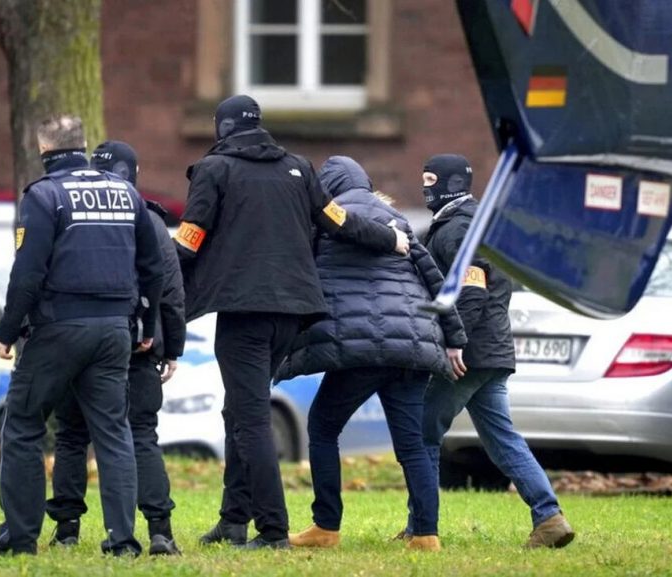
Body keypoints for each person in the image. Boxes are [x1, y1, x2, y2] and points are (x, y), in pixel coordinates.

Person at [178, 95, 410, 550]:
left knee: (250, 419)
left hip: (244, 314)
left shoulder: (214, 170)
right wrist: (390, 238)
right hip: (292, 314)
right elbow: (338, 221)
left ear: (222, 128)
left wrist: (149, 270)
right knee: (239, 411)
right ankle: (233, 519)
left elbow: (190, 239)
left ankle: (271, 530)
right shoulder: (298, 168)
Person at [0, 116, 165, 556]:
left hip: (58, 328)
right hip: (115, 330)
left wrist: (7, 332)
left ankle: (19, 537)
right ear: (82, 145)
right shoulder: (127, 194)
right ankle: (123, 541)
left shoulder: (44, 195)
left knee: (23, 425)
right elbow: (153, 267)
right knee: (113, 432)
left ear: (44, 150)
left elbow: (28, 274)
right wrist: (146, 323)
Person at [276, 156, 467, 552]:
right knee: (411, 442)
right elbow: (435, 281)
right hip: (412, 345)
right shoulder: (397, 220)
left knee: (323, 428)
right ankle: (426, 534)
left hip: (359, 346)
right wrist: (454, 339)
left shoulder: (326, 221)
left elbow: (300, 276)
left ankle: (326, 527)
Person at [405, 154, 575, 549]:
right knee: (502, 438)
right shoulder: (478, 222)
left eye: (430, 180)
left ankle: (421, 528)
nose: (425, 188)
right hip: (492, 352)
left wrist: (454, 342)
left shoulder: (459, 228)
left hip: (470, 354)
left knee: (421, 432)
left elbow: (472, 291)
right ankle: (549, 517)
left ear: (450, 183)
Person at [45, 141, 186, 556]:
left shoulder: (72, 212)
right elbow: (171, 293)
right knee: (141, 434)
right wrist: (171, 348)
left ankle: (66, 530)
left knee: (71, 435)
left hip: (78, 341)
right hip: (137, 345)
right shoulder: (151, 221)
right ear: (134, 173)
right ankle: (160, 531)